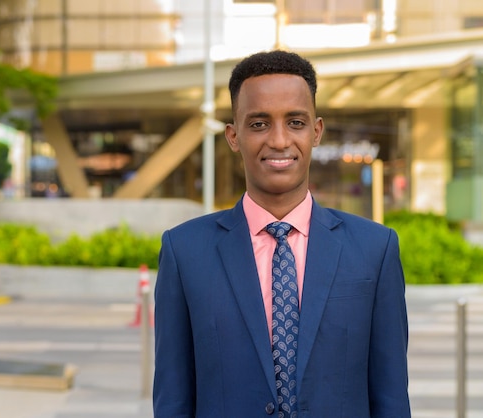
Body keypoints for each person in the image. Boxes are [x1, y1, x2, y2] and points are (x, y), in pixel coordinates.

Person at [152, 50, 410, 418]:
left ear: (316, 131)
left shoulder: (375, 249)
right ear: (233, 136)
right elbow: (173, 401)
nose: (278, 140)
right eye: (258, 124)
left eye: (295, 122)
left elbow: (391, 401)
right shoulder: (184, 252)